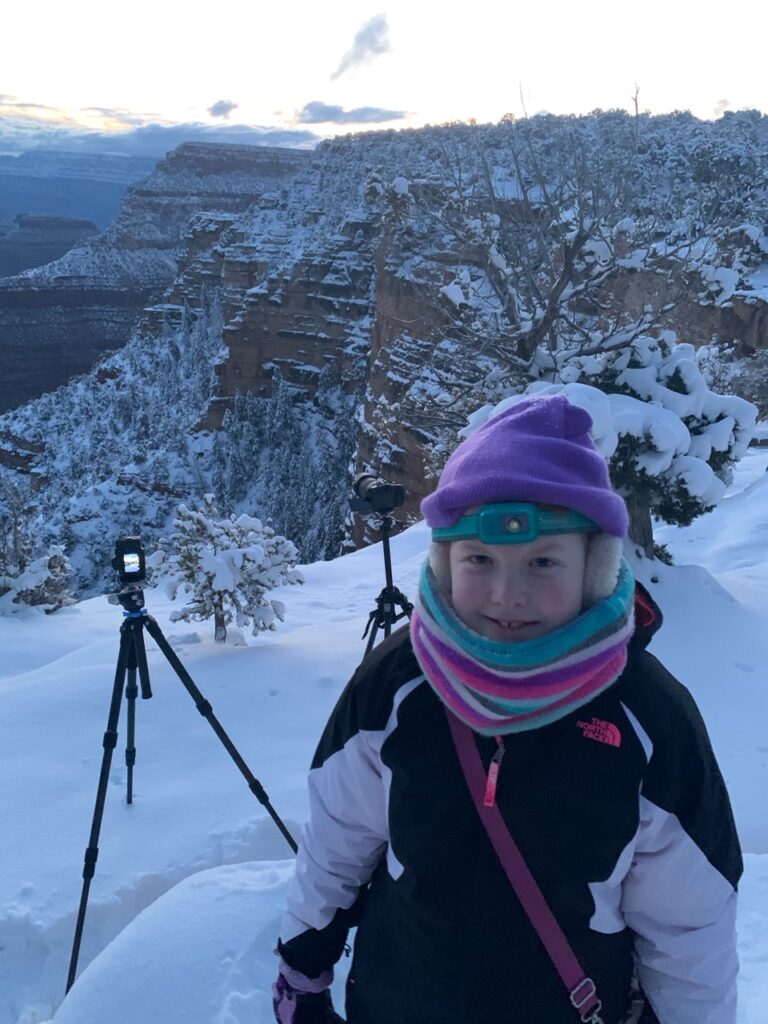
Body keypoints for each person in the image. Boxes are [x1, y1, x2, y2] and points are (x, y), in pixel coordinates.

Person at [272, 394, 742, 1024]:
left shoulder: (647, 716)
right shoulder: (396, 685)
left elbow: (689, 926)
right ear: (444, 563)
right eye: (479, 560)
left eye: (544, 561)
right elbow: (338, 843)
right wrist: (304, 965)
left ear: (593, 566)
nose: (506, 595)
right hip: (397, 1002)